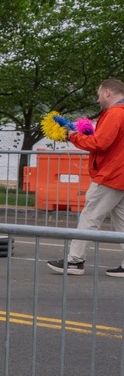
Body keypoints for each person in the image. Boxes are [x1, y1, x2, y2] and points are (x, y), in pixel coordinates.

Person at [46, 78, 124, 277]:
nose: (98, 100)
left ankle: (75, 261)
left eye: (99, 95)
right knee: (122, 222)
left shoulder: (115, 113)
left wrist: (72, 136)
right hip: (120, 175)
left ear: (107, 93)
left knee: (90, 217)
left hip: (110, 175)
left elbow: (101, 142)